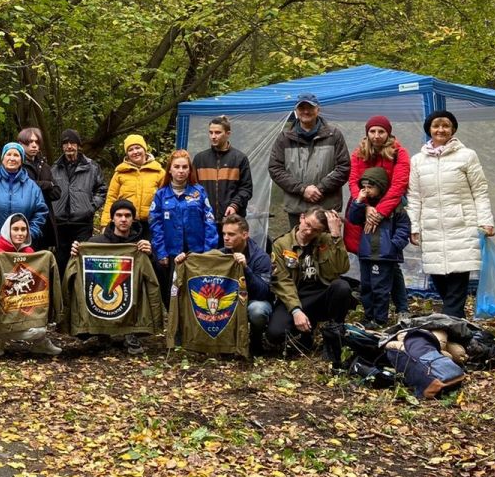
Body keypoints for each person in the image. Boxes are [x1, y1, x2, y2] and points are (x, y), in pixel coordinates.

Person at [407, 111, 494, 319]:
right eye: (436, 126)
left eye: (445, 126)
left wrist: (485, 221)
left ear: (452, 129)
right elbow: (414, 196)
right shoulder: (418, 160)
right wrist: (414, 226)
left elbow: (480, 190)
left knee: (457, 279)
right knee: (439, 278)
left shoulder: (467, 156)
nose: (440, 130)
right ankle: (458, 322)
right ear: (429, 129)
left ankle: (448, 325)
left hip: (462, 225)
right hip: (431, 227)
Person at [344, 115, 411, 318]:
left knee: (388, 261)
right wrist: (364, 206)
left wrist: (380, 212)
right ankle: (369, 304)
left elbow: (399, 185)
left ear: (388, 132)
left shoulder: (399, 153)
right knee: (365, 254)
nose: (376, 135)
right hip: (362, 207)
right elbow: (354, 181)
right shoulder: (359, 152)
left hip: (389, 209)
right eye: (372, 131)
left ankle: (401, 307)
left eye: (381, 131)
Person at [70, 199, 154, 354]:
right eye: (119, 215)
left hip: (129, 291)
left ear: (133, 219)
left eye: (128, 215)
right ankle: (101, 331)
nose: (123, 219)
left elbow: (152, 273)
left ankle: (132, 332)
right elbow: (83, 269)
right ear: (112, 218)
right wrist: (77, 251)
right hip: (102, 291)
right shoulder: (96, 243)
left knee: (138, 288)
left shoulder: (140, 243)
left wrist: (150, 253)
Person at [266, 207, 355, 351]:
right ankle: (306, 332)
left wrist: (336, 235)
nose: (309, 232)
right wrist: (296, 311)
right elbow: (282, 281)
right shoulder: (281, 244)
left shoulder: (326, 239)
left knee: (342, 287)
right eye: (307, 225)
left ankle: (334, 334)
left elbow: (342, 268)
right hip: (296, 295)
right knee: (275, 334)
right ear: (301, 217)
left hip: (321, 294)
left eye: (315, 230)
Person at [0, 213, 62, 356]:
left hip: (24, 304)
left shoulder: (30, 253)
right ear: (8, 230)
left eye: (23, 229)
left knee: (39, 328)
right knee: (34, 331)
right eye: (16, 229)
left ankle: (40, 343)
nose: (20, 233)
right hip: (4, 308)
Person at [268, 93, 350, 231]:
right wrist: (302, 189)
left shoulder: (334, 135)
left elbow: (344, 167)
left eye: (310, 107)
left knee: (327, 250)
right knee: (299, 249)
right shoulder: (284, 138)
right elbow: (275, 169)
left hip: (327, 208)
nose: (306, 111)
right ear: (296, 111)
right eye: (301, 108)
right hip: (297, 208)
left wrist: (321, 188)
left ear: (318, 109)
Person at [148, 149, 219, 308]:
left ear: (190, 169)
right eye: (177, 167)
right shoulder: (161, 195)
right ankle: (175, 328)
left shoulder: (198, 192)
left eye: (185, 167)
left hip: (197, 251)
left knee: (197, 291)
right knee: (172, 293)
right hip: (171, 253)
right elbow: (155, 225)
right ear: (170, 169)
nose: (181, 171)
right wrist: (161, 252)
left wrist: (209, 251)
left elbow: (209, 222)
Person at [346, 167, 411, 328]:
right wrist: (359, 201)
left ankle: (379, 319)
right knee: (366, 287)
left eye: (370, 187)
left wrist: (394, 245)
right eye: (364, 187)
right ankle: (369, 317)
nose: (366, 191)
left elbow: (404, 228)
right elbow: (353, 218)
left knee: (380, 288)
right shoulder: (364, 207)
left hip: (384, 256)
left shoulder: (394, 207)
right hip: (366, 254)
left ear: (380, 186)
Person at [50, 129, 106, 275]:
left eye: (72, 143)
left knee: (82, 260)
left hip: (82, 222)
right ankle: (63, 295)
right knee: (61, 262)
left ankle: (80, 294)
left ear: (78, 145)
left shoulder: (91, 167)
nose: (69, 146)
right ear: (62, 146)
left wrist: (91, 206)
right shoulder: (54, 168)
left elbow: (101, 189)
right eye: (65, 143)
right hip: (60, 223)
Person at [218, 215, 273, 352]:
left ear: (245, 235)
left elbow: (263, 293)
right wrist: (185, 258)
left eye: (231, 234)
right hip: (228, 300)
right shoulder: (220, 254)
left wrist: (246, 269)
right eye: (224, 233)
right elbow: (201, 266)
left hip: (253, 300)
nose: (226, 238)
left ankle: (256, 338)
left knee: (257, 311)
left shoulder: (260, 257)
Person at [100, 134, 165, 232]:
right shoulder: (120, 173)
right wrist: (105, 223)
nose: (135, 152)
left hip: (152, 223)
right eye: (130, 150)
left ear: (145, 149)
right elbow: (111, 198)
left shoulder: (159, 172)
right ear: (127, 154)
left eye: (138, 148)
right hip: (126, 223)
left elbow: (165, 199)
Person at [192, 116, 253, 218]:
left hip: (232, 220)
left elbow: (246, 189)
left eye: (217, 132)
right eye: (211, 132)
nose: (213, 136)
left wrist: (235, 205)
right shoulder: (200, 159)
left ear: (228, 134)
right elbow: (192, 187)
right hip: (206, 220)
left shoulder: (240, 158)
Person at [18, 127, 62, 251]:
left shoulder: (45, 166)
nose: (34, 146)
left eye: (37, 142)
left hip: (46, 222)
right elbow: (24, 188)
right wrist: (47, 185)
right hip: (25, 220)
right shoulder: (17, 165)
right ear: (21, 144)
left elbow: (57, 193)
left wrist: (38, 186)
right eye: (30, 142)